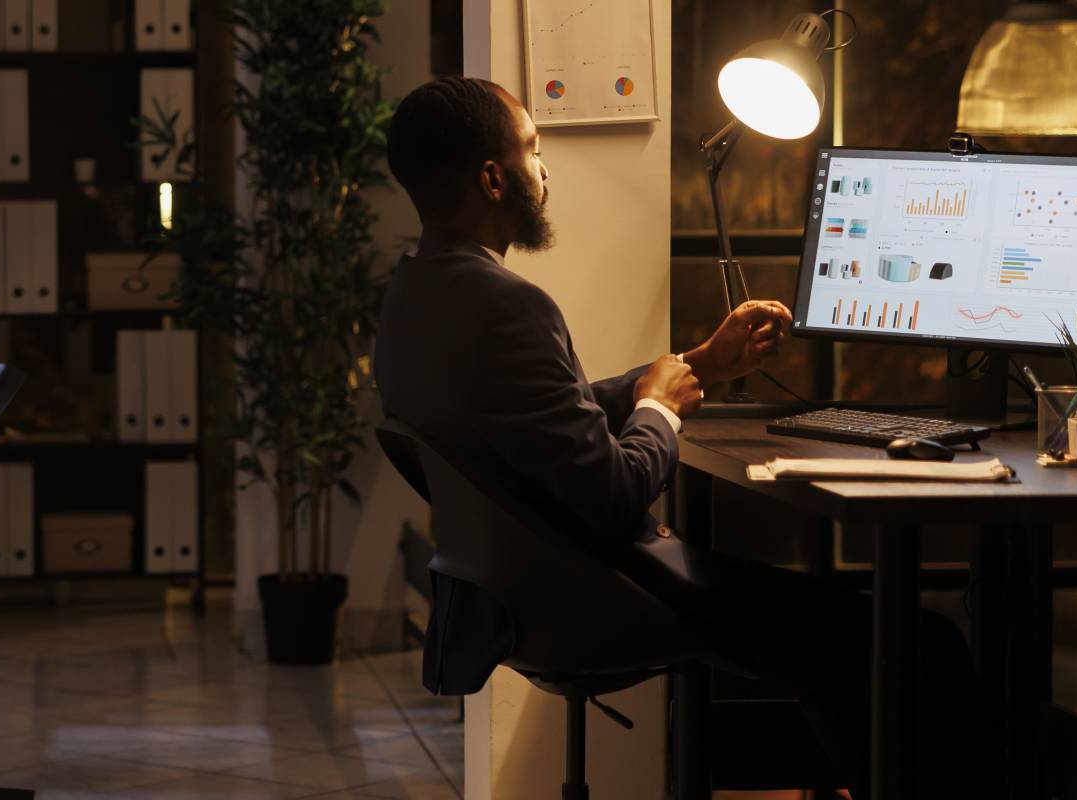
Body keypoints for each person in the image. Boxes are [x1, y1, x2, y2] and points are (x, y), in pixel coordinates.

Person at [375, 76, 991, 798]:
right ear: (491, 178)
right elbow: (612, 494)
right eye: (533, 151)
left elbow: (538, 422)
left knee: (834, 651)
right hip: (604, 593)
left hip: (521, 594)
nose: (545, 173)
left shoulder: (414, 296)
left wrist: (695, 367)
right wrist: (660, 413)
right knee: (920, 644)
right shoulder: (511, 306)